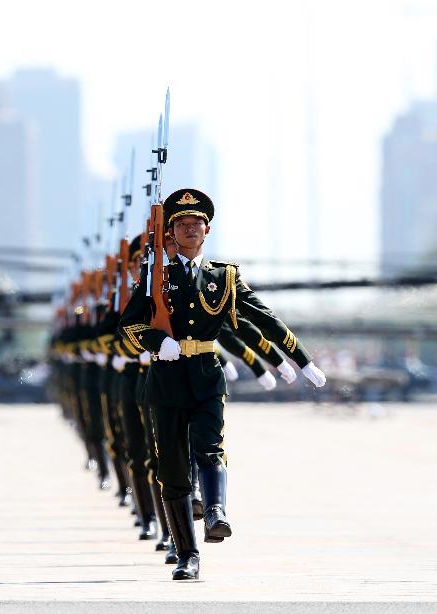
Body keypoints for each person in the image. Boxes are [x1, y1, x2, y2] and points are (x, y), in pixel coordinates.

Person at [119, 188, 327, 580]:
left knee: (210, 448)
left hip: (206, 377)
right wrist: (155, 342)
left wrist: (300, 359)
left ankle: (216, 511)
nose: (190, 228)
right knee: (174, 470)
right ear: (170, 233)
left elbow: (260, 318)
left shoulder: (224, 277)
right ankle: (188, 556)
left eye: (196, 222)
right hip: (165, 382)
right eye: (181, 223)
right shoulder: (153, 276)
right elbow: (130, 324)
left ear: (207, 229)